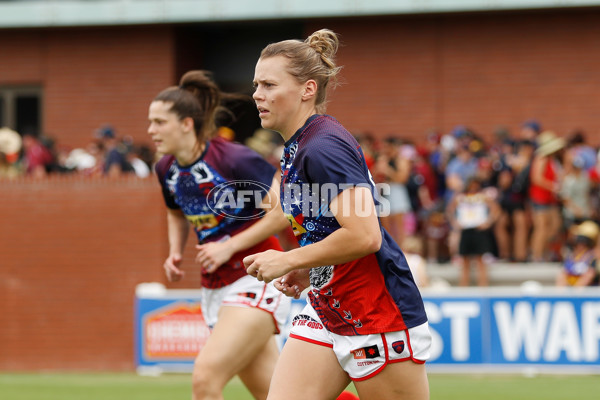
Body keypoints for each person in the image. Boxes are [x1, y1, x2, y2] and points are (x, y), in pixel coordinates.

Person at [245, 29, 431, 400]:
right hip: (328, 301)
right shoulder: (299, 145)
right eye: (256, 84)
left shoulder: (323, 145)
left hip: (376, 312)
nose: (256, 95)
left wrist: (288, 260)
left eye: (268, 84)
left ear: (307, 89)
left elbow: (365, 236)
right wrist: (310, 267)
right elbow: (327, 231)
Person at [148, 70, 293, 400]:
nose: (150, 130)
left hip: (255, 276)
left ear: (187, 124)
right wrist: (174, 250)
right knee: (282, 395)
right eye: (150, 122)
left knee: (205, 378)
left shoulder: (232, 158)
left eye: (159, 122)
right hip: (214, 286)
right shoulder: (165, 168)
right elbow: (174, 210)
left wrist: (229, 246)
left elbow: (283, 211)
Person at [447, 177, 500, 286]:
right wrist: (454, 222)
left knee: (480, 260)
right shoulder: (460, 197)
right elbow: (450, 210)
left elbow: (496, 209)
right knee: (465, 261)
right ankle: (464, 285)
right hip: (466, 229)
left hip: (478, 230)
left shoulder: (482, 197)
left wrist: (488, 222)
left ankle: (483, 285)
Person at [529, 131, 565, 262]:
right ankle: (536, 255)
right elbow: (536, 178)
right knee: (542, 227)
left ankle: (545, 252)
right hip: (540, 198)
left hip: (550, 199)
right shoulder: (541, 158)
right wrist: (553, 186)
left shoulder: (553, 160)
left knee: (555, 226)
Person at [556, 220, 599, 287]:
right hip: (570, 290)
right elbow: (564, 273)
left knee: (589, 274)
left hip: (588, 293)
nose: (579, 244)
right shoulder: (572, 256)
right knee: (562, 275)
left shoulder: (593, 257)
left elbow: (589, 275)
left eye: (582, 240)